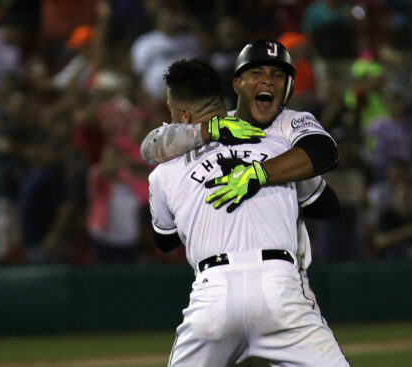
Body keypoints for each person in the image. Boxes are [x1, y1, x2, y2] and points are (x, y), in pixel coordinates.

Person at [149, 59, 348, 366]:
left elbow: (165, 240)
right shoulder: (278, 146)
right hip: (279, 289)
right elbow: (326, 204)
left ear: (182, 115)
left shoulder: (164, 171)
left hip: (213, 296)